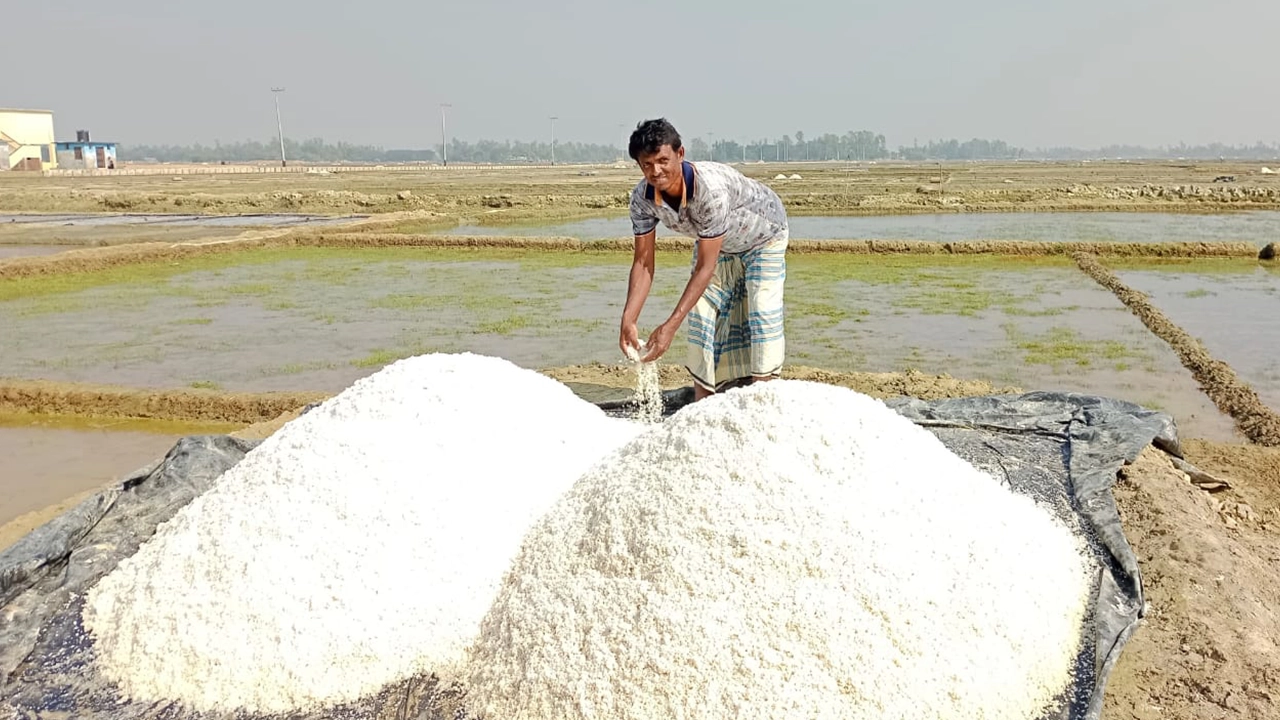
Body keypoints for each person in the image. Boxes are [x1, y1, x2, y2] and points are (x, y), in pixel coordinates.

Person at [619, 118, 790, 402]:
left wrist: (669, 327)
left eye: (663, 160)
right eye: (646, 164)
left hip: (764, 235)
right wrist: (628, 319)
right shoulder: (642, 199)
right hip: (716, 242)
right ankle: (703, 401)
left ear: (680, 154)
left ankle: (764, 398)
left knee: (762, 310)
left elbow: (705, 268)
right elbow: (643, 263)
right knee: (701, 314)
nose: (656, 171)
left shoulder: (709, 191)